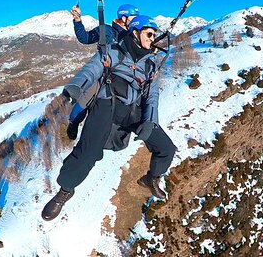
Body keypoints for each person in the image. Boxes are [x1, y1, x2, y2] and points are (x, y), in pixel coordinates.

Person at [42, 16, 176, 221]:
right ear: (135, 33)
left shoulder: (150, 64)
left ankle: (152, 178)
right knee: (87, 153)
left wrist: (150, 121)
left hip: (132, 109)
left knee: (166, 148)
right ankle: (65, 190)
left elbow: (152, 96)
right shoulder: (114, 51)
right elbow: (91, 69)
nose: (153, 38)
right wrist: (77, 86)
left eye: (154, 35)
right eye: (149, 33)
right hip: (107, 104)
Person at [66, 3, 140, 141]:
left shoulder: (133, 36)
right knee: (87, 97)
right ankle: (74, 121)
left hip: (121, 75)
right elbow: (85, 38)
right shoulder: (106, 30)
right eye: (133, 17)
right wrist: (77, 21)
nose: (136, 21)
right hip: (104, 72)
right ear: (123, 18)